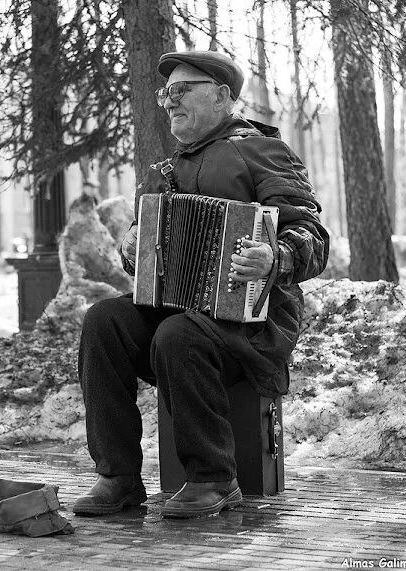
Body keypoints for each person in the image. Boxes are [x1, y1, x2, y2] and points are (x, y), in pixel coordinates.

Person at [73, 50, 329, 519]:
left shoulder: (261, 151)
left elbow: (311, 235)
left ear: (223, 97)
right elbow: (154, 255)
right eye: (166, 92)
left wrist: (276, 257)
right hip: (183, 317)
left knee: (180, 332)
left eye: (183, 89)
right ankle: (118, 477)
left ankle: (214, 479)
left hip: (252, 323)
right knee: (103, 321)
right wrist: (136, 247)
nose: (170, 101)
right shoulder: (166, 169)